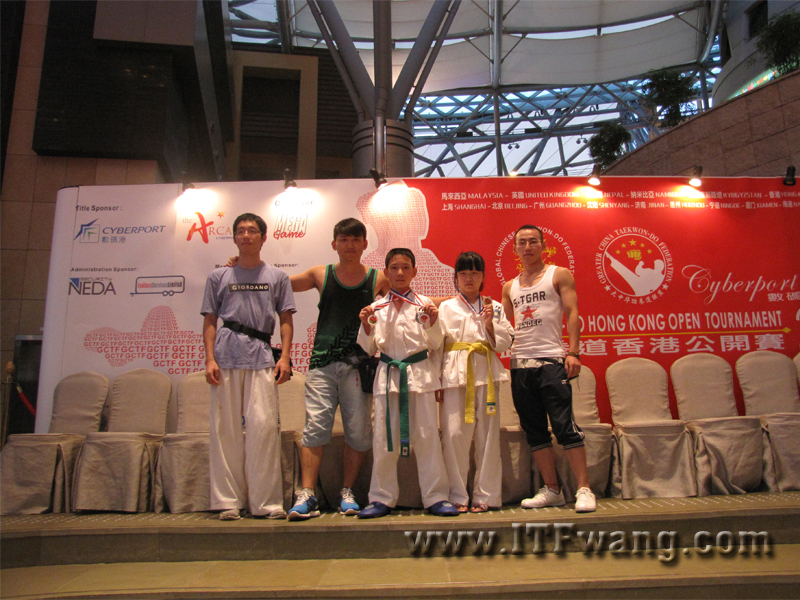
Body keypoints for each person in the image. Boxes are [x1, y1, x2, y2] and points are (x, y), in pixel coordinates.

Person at [287, 218, 390, 520]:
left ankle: (347, 491)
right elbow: (276, 283)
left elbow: (408, 300)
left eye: (356, 240)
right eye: (344, 240)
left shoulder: (378, 278)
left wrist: (454, 301)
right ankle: (307, 494)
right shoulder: (321, 274)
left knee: (358, 432)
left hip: (358, 367)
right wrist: (241, 266)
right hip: (321, 365)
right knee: (315, 429)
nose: (350, 245)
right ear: (334, 244)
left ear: (365, 244)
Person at [202, 213, 295, 520]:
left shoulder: (278, 276)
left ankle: (266, 503)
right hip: (226, 357)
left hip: (262, 357)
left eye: (252, 231)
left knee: (264, 430)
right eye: (240, 231)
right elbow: (210, 320)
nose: (246, 235)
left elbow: (285, 319)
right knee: (224, 431)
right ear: (234, 237)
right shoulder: (218, 276)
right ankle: (227, 501)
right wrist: (209, 358)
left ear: (263, 237)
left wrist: (284, 357)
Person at [356, 248, 458, 518]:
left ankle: (436, 496)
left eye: (405, 267)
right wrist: (366, 325)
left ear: (414, 271)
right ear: (386, 272)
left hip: (420, 375)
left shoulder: (425, 304)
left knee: (427, 437)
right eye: (394, 267)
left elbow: (435, 343)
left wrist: (433, 322)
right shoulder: (375, 308)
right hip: (388, 376)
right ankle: (381, 498)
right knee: (384, 439)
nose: (399, 272)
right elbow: (368, 348)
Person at [500, 225, 596, 513]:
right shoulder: (509, 287)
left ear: (543, 245)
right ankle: (552, 489)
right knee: (535, 431)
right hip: (520, 365)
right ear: (515, 249)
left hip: (552, 361)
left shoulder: (559, 274)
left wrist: (574, 352)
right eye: (522, 243)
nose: (527, 247)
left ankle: (584, 489)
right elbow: (503, 327)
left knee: (565, 427)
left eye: (533, 241)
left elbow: (572, 312)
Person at [438, 251, 514, 512]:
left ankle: (486, 496)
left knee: (488, 437)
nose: (469, 278)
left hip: (487, 373)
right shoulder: (446, 307)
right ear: (456, 277)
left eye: (474, 273)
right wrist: (437, 380)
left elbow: (506, 342)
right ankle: (457, 495)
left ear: (483, 277)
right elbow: (436, 346)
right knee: (454, 436)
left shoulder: (494, 307)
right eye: (463, 273)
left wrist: (490, 325)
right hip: (454, 375)